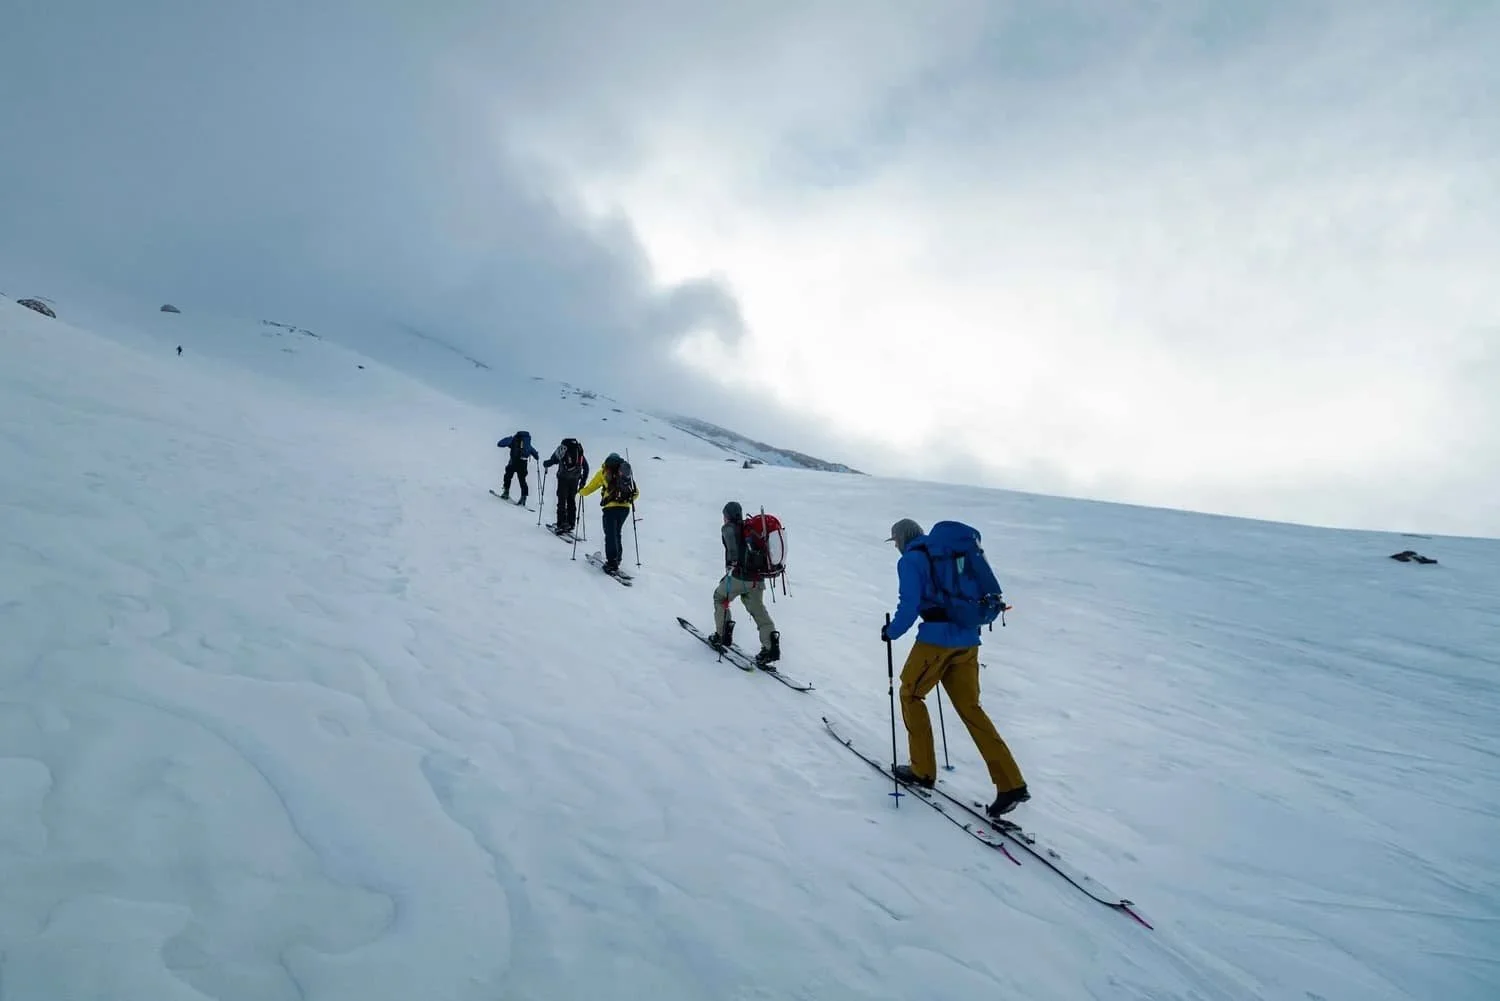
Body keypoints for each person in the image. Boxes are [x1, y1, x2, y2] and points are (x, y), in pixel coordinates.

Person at [881, 517, 1029, 819]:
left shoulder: (911, 560)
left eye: (895, 541)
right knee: (971, 708)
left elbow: (908, 605)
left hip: (937, 641)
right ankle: (1011, 783)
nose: (895, 546)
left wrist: (891, 632)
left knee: (910, 694)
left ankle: (922, 771)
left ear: (901, 539)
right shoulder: (948, 554)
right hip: (968, 640)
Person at [710, 501, 781, 667]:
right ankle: (771, 648)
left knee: (720, 597)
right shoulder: (750, 529)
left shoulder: (729, 528)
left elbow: (733, 551)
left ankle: (722, 634)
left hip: (739, 577)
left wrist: (732, 564)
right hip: (758, 579)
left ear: (727, 516)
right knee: (758, 610)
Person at [578, 452, 637, 573]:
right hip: (625, 509)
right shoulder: (625, 473)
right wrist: (624, 500)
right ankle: (617, 559)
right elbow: (636, 493)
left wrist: (581, 492)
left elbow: (591, 487)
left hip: (610, 509)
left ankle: (611, 563)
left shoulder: (604, 472)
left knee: (610, 535)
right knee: (617, 533)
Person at [541, 437, 589, 534]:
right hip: (575, 480)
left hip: (563, 479)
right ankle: (571, 523)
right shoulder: (578, 451)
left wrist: (545, 463)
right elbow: (586, 467)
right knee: (571, 500)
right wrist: (583, 481)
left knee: (562, 501)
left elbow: (553, 460)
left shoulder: (563, 448)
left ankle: (561, 524)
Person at [495, 430, 539, 504]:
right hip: (523, 464)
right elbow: (535, 455)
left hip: (514, 462)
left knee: (508, 476)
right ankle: (523, 497)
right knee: (522, 480)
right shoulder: (527, 444)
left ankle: (506, 492)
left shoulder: (514, 440)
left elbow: (500, 444)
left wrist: (509, 439)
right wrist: (536, 456)